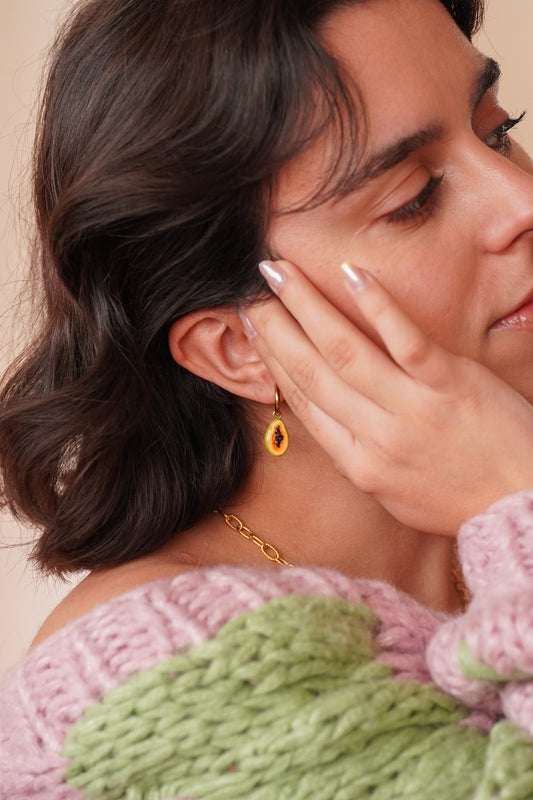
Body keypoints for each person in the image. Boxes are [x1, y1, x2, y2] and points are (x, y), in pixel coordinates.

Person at [3, 0, 533, 796]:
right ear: (239, 347)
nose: (520, 198)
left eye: (495, 130)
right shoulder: (158, 685)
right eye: (414, 197)